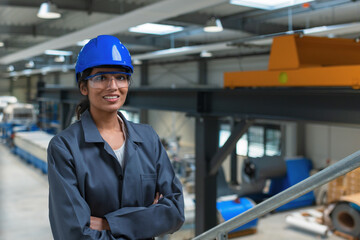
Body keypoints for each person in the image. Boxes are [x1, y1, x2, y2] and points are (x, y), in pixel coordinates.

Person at [47, 35, 185, 240]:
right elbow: (74, 233)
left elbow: (175, 212)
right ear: (83, 87)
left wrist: (109, 223)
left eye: (121, 77)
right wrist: (147, 219)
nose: (113, 86)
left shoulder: (148, 138)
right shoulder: (65, 148)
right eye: (101, 78)